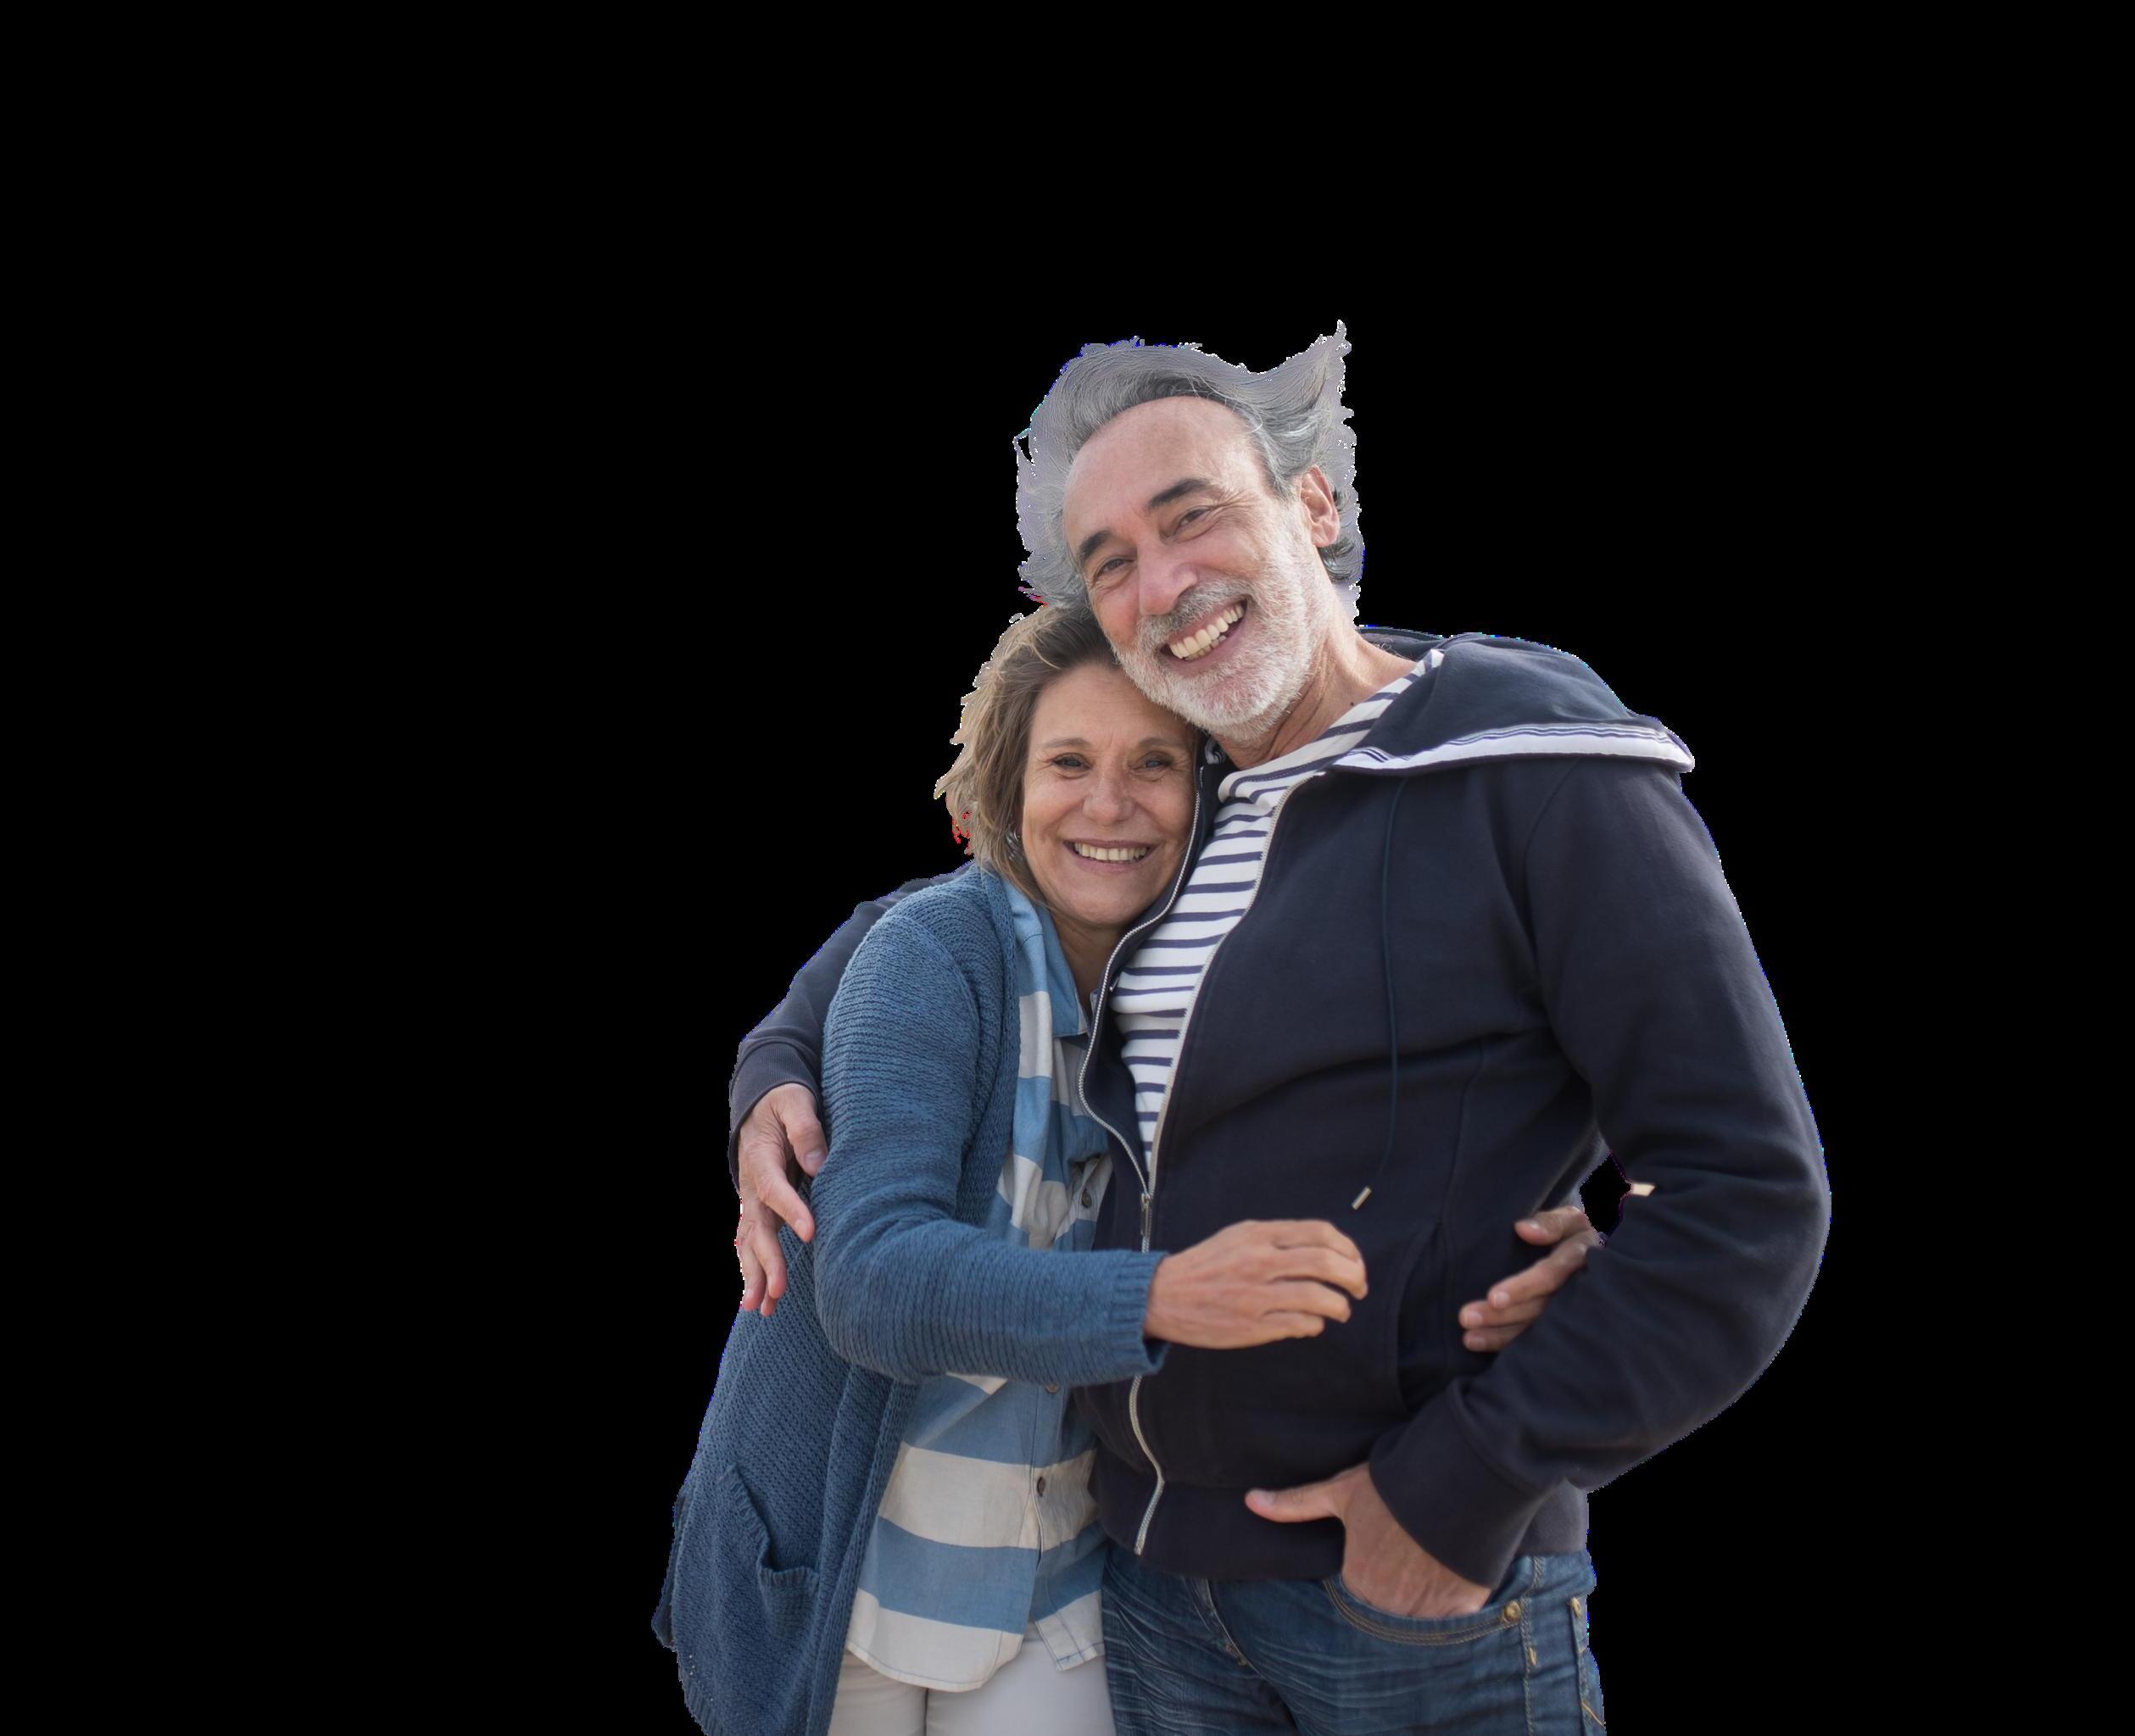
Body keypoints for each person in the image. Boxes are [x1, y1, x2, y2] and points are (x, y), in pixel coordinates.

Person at [721, 330, 1830, 1733]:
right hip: (1142, 1588)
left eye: (1191, 517)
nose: (1161, 585)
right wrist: (775, 1065)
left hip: (1407, 1604)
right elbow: (950, 912)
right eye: (1110, 562)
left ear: (1314, 505)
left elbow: (1747, 1193)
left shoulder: (1533, 772)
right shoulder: (1189, 801)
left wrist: (1460, 1492)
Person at [655, 603, 1598, 1736]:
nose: (1109, 805)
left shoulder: (1216, 972)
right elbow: (871, 1283)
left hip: (1053, 1567)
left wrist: (1560, 1225)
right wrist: (1160, 1297)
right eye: (1068, 763)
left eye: (1155, 763)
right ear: (1008, 788)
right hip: (843, 1561)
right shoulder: (937, 953)